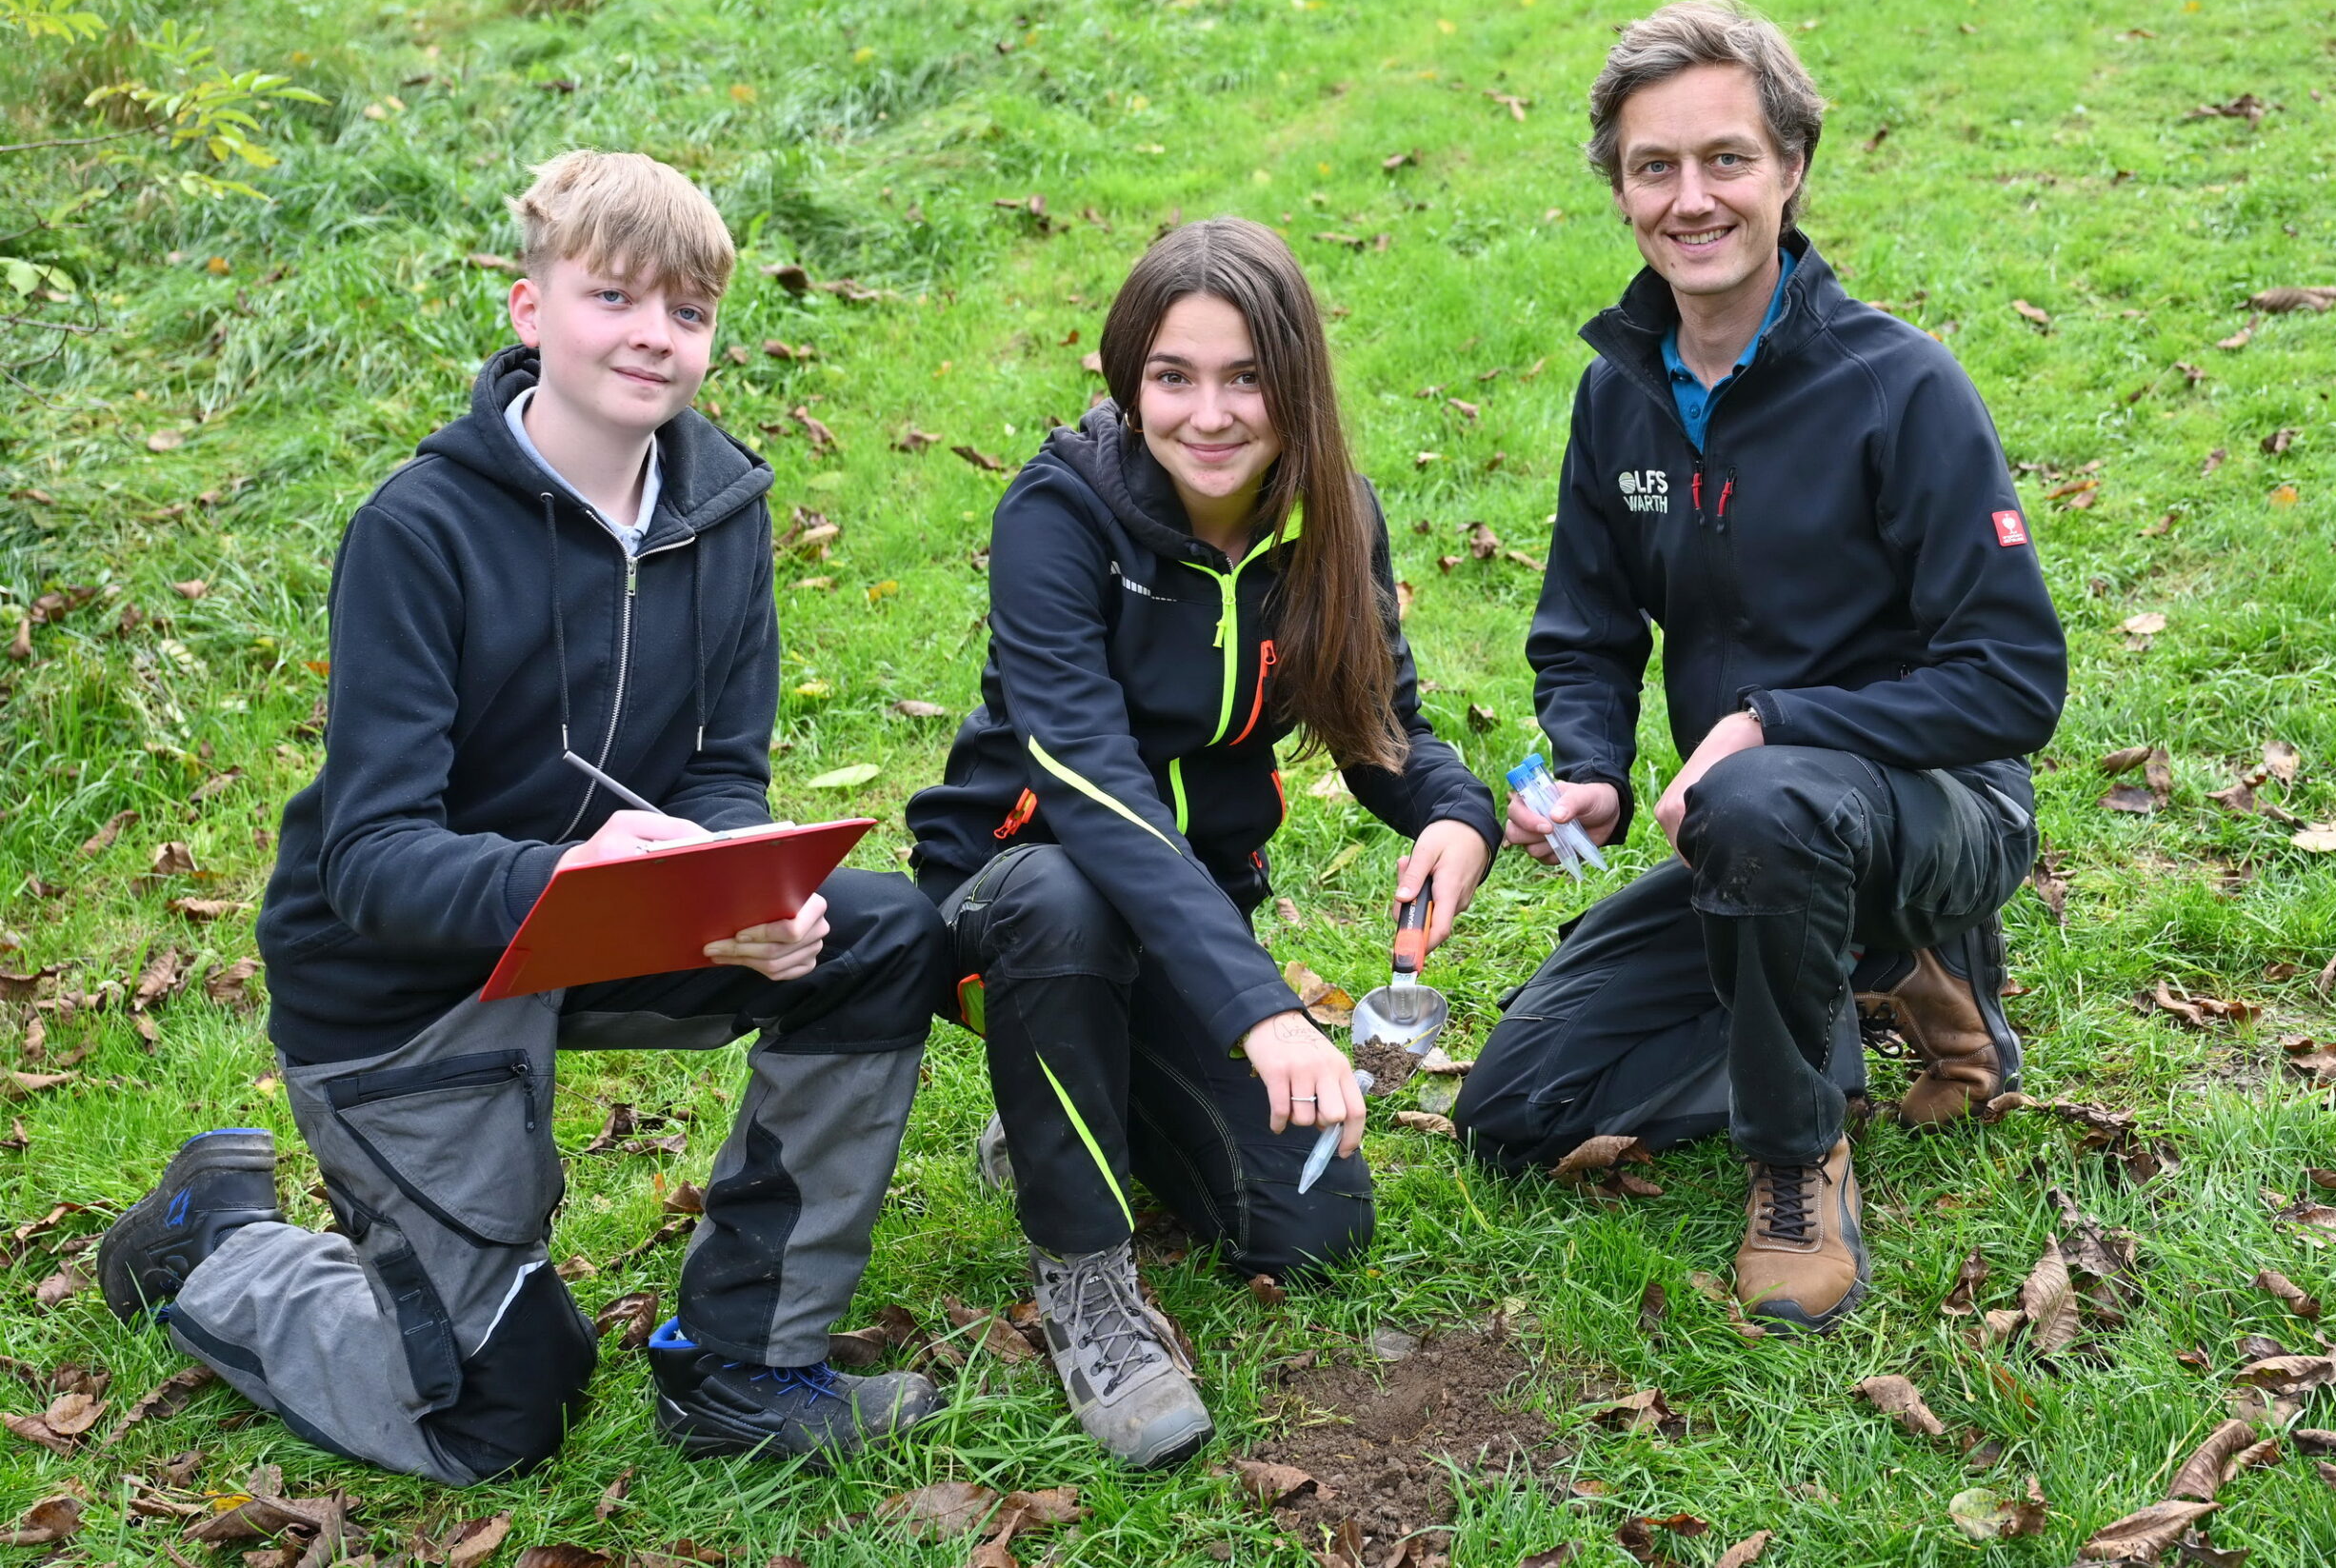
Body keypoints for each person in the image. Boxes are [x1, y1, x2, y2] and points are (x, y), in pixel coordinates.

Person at [96, 152, 951, 1482]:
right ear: (529, 307)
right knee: (502, 1410)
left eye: (687, 311)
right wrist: (568, 875)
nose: (653, 334)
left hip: (598, 922)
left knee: (881, 932)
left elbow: (723, 771)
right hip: (403, 975)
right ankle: (216, 1242)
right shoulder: (418, 530)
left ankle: (744, 1363)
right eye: (614, 296)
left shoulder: (724, 513)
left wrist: (740, 887)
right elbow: (370, 858)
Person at [1451, 0, 2068, 1337]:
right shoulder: (1619, 394)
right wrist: (1594, 767)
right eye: (1653, 166)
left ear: (1791, 165)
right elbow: (1587, 628)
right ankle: (1874, 973)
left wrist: (1771, 721)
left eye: (1726, 158)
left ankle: (1799, 1159)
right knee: (1516, 1112)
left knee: (1762, 798)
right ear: (1620, 189)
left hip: (1941, 806)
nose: (1692, 198)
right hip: (1746, 839)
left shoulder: (1902, 387)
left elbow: (2016, 681)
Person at [906, 217, 1500, 1465]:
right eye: (1173, 376)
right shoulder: (1058, 514)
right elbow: (1093, 789)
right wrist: (1260, 1009)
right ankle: (1086, 1283)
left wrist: (1455, 811)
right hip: (1009, 900)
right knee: (1064, 897)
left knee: (1313, 1230)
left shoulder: (1332, 515)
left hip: (1187, 928)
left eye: (1247, 378)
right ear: (1130, 377)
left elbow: (1375, 714)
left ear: (1297, 384)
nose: (1211, 415)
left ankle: (1072, 1099)